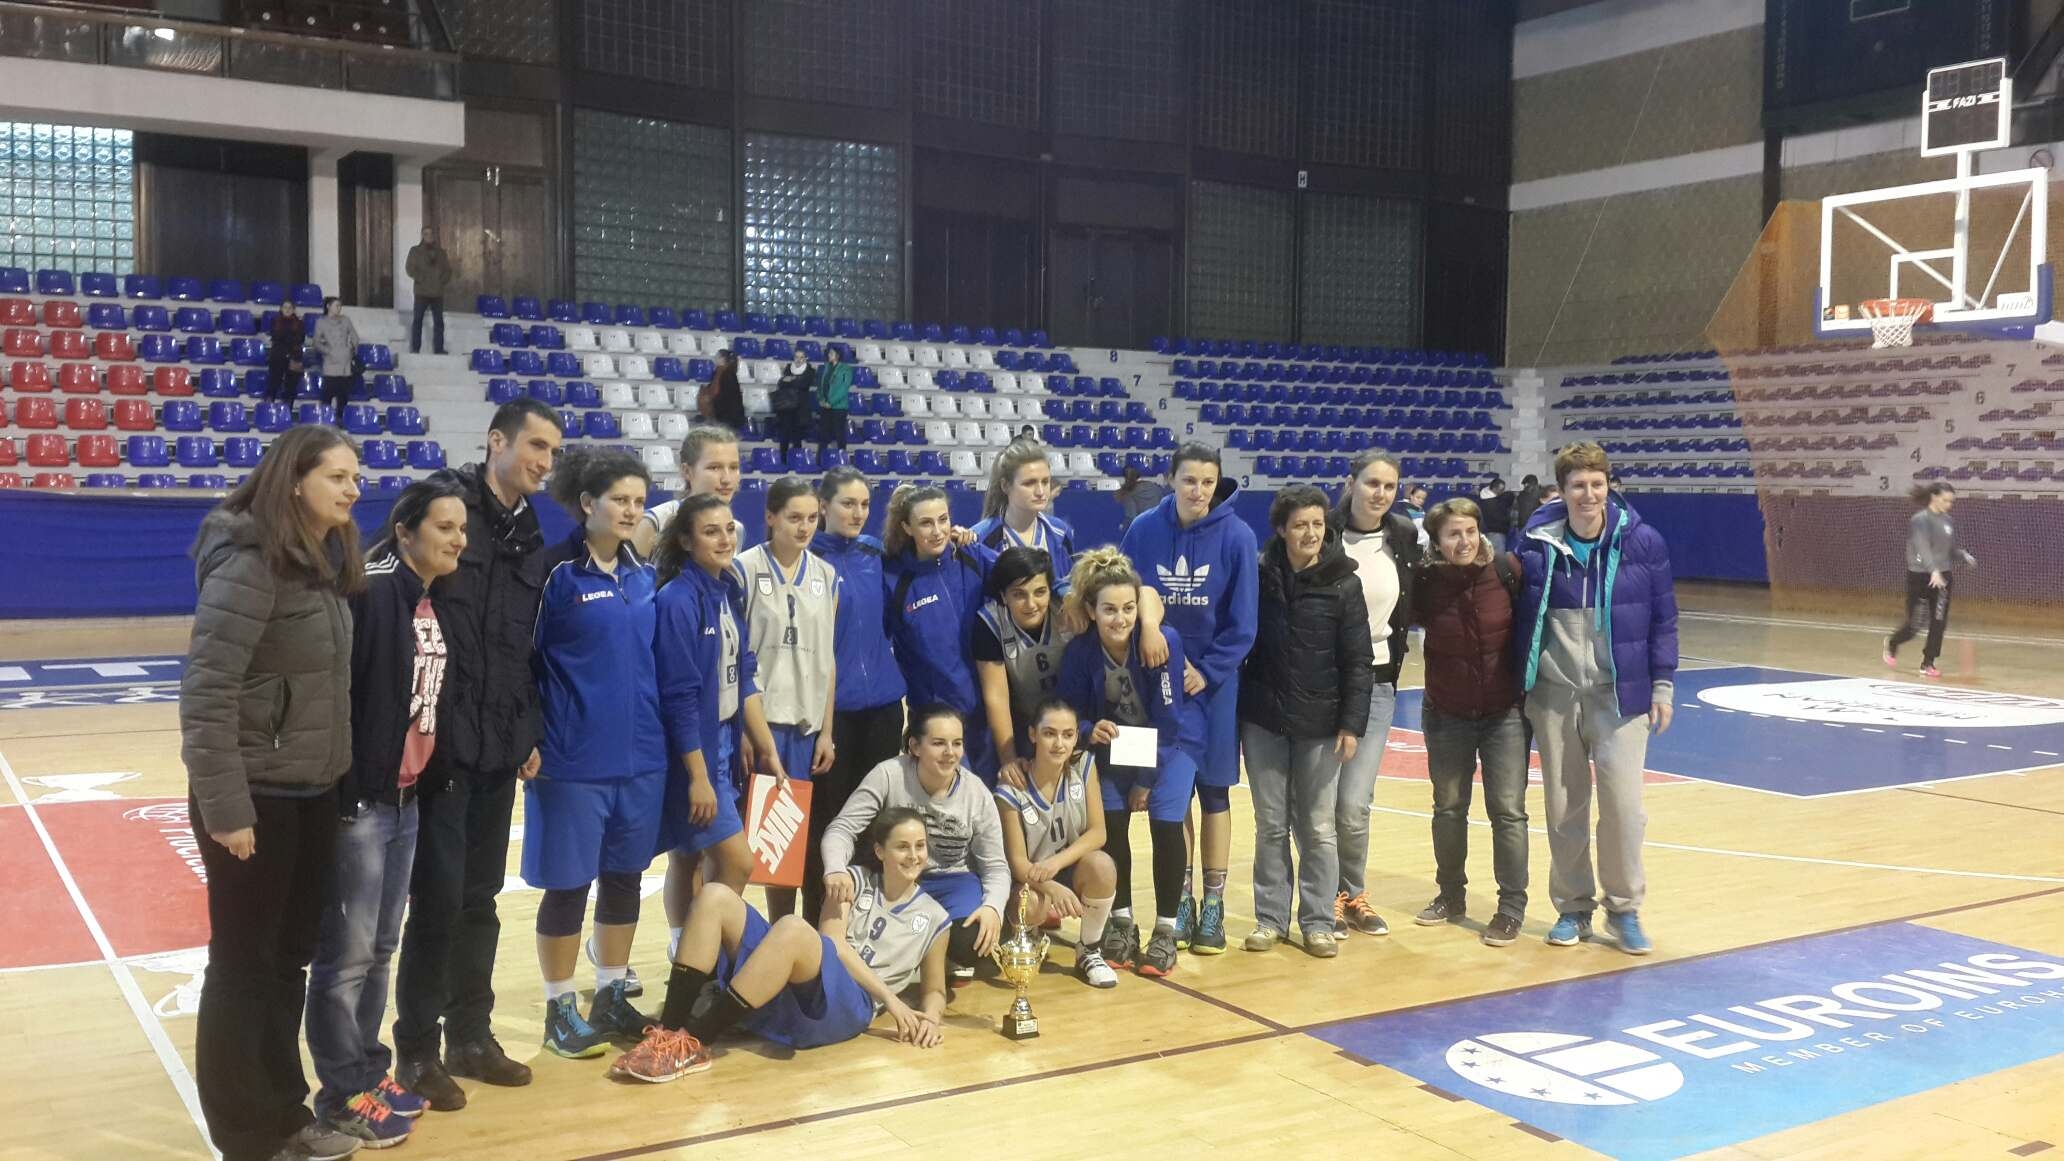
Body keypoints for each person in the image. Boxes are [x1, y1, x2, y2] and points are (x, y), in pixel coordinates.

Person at [180, 425, 366, 1161]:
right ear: (295, 480)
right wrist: (227, 809)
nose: (354, 488)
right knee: (242, 965)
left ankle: (284, 1114)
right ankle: (244, 1134)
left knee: (287, 960)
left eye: (356, 476)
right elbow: (207, 692)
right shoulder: (250, 563)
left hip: (311, 792)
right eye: (339, 476)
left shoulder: (318, 563)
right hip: (253, 797)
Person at [394, 398, 560, 1109]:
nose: (545, 462)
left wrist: (526, 729)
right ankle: (417, 1052)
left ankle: (471, 1035)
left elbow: (525, 644)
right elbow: (395, 600)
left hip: (499, 748)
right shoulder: (443, 506)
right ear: (496, 440)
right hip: (442, 749)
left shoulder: (532, 532)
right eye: (535, 446)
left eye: (553, 452)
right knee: (435, 904)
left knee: (480, 901)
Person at [306, 478, 466, 1149]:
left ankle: (368, 1071)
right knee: (344, 957)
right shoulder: (374, 590)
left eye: (462, 528)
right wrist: (348, 790)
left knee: (379, 950)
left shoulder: (428, 595)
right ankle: (341, 1092)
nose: (457, 539)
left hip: (405, 800)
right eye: (443, 527)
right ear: (404, 530)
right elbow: (343, 697)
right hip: (364, 801)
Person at [605, 806, 952, 1082]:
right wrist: (893, 997)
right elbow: (834, 943)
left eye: (920, 846)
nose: (913, 855)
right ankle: (668, 1033)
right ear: (879, 851)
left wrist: (929, 1020)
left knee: (792, 928)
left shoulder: (935, 916)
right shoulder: (853, 880)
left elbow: (935, 989)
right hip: (810, 982)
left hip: (853, 1007)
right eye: (902, 846)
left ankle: (697, 1040)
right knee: (714, 895)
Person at [525, 447, 665, 1059]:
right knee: (567, 884)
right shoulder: (553, 572)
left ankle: (609, 994)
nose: (631, 511)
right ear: (587, 504)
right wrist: (527, 737)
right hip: (571, 760)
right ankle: (560, 1006)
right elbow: (521, 663)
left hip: (641, 759)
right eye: (620, 500)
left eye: (639, 501)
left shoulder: (645, 576)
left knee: (625, 879)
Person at [1513, 441, 1677, 956]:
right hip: (1554, 694)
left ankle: (1624, 910)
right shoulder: (1536, 541)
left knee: (1625, 809)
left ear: (1609, 486)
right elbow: (1518, 613)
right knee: (1564, 808)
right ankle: (1573, 908)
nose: (1588, 494)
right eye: (1578, 485)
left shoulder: (1642, 542)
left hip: (1620, 694)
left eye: (1597, 484)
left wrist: (1663, 684)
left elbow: (1663, 617)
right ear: (1561, 491)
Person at [1119, 443, 1256, 956]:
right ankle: (1178, 898)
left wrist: (1210, 670)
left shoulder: (1238, 536)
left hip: (1214, 686)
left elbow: (1244, 624)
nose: (1198, 491)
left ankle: (1213, 903)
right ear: (1171, 479)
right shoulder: (1143, 531)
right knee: (1166, 792)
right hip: (1152, 685)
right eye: (1189, 480)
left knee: (1215, 791)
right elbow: (1124, 598)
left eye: (1207, 482)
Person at [1238, 485, 1373, 959]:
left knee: (1317, 828)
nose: (1311, 533)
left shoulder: (1344, 583)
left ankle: (1317, 921)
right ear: (1281, 529)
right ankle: (1269, 919)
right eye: (1300, 525)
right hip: (1264, 723)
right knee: (1271, 825)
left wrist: (1351, 724)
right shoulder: (1258, 576)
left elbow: (1359, 661)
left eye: (1318, 523)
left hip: (1321, 725)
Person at [1055, 548, 1203, 977]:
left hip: (1169, 744)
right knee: (1111, 826)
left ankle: (1166, 929)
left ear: (1140, 607)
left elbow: (1169, 719)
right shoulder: (1082, 652)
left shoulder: (1161, 642)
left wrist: (1146, 779)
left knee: (1165, 821)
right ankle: (1122, 921)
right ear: (1091, 610)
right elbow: (1070, 709)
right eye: (1109, 610)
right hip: (1116, 747)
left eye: (1128, 608)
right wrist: (1087, 729)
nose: (1119, 619)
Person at [651, 492, 789, 911]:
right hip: (696, 754)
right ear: (687, 542)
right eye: (711, 532)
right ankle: (700, 953)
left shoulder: (726, 589)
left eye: (729, 529)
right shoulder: (677, 600)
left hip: (726, 748)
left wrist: (767, 748)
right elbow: (679, 697)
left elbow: (744, 674)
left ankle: (694, 957)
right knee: (736, 862)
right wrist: (697, 776)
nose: (725, 539)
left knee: (694, 858)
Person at [1411, 498, 1529, 947]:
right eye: (1452, 534)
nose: (1463, 541)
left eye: (1469, 531)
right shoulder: (1425, 581)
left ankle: (1511, 907)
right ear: (1437, 541)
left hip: (1504, 714)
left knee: (1508, 812)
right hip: (1445, 712)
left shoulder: (1507, 572)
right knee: (1448, 807)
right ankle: (1450, 895)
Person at [820, 705, 1009, 974]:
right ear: (915, 747)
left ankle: (939, 952)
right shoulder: (888, 774)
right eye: (938, 743)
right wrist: (836, 869)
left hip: (951, 881)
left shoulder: (976, 793)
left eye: (957, 743)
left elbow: (996, 866)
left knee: (972, 943)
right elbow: (841, 829)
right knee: (851, 914)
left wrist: (993, 908)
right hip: (895, 877)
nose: (950, 752)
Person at [728, 477, 836, 916]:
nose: (804, 526)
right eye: (794, 517)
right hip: (756, 726)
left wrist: (826, 731)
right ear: (770, 517)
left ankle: (781, 937)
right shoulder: (743, 569)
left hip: (802, 730)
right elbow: (732, 658)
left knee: (782, 848)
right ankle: (717, 942)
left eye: (812, 518)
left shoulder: (827, 576)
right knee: (732, 848)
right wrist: (742, 728)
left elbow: (828, 660)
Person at [1328, 450, 1422, 939]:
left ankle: (1352, 894)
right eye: (1371, 483)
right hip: (1322, 684)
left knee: (1354, 803)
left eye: (1389, 485)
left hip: (1378, 684)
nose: (1380, 493)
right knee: (1318, 801)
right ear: (1351, 483)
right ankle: (1324, 900)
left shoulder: (1403, 537)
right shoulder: (1321, 531)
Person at [808, 467, 908, 921]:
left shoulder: (875, 555)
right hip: (835, 717)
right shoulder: (808, 560)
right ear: (823, 506)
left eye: (865, 504)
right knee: (829, 824)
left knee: (876, 823)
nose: (858, 513)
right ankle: (821, 924)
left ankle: (870, 923)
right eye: (848, 503)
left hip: (885, 710)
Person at [993, 699, 1120, 988]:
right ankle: (1029, 937)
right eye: (1050, 733)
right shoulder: (1011, 789)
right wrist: (1050, 886)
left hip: (1061, 868)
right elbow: (1017, 863)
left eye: (1068, 734)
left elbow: (1098, 833)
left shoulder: (1084, 766)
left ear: (1077, 736)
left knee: (1101, 865)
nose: (1059, 743)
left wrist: (1055, 865)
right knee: (1032, 904)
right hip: (1027, 880)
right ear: (1033, 735)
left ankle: (1089, 950)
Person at [883, 484, 999, 780]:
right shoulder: (895, 580)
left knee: (989, 808)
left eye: (943, 520)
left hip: (986, 714)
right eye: (925, 523)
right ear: (907, 527)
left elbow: (1025, 575)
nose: (937, 531)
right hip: (936, 721)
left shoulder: (972, 557)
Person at [974, 546, 1071, 785]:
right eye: (1019, 594)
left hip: (1075, 723)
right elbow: (996, 696)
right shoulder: (989, 622)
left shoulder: (1069, 609)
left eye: (1040, 592)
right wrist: (1009, 759)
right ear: (1003, 596)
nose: (1031, 603)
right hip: (1023, 725)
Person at [1884, 482, 1976, 679]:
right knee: (1914, 625)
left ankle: (1928, 662)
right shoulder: (1920, 520)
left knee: (1938, 622)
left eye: (1952, 501)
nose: (1949, 504)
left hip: (1943, 578)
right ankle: (1893, 643)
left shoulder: (1948, 521)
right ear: (1934, 497)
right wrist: (1932, 570)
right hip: (1920, 576)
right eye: (1945, 500)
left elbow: (1948, 551)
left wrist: (1962, 555)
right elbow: (1922, 547)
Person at [969, 440, 1077, 593]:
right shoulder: (980, 538)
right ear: (1005, 486)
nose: (1040, 491)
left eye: (1045, 482)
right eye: (1029, 483)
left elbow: (1070, 593)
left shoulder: (1060, 533)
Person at [637, 421, 744, 562]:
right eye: (714, 467)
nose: (726, 479)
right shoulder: (654, 522)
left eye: (733, 467)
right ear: (687, 471)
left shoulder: (736, 529)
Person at [310, 297, 362, 420]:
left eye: (340, 306)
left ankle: (339, 418)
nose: (339, 308)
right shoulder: (321, 322)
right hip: (331, 361)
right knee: (328, 392)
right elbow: (316, 342)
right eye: (336, 305)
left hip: (345, 361)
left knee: (343, 394)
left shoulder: (345, 320)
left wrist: (352, 348)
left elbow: (355, 336)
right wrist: (328, 351)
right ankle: (325, 418)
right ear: (328, 306)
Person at [404, 226, 451, 356]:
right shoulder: (415, 251)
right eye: (426, 234)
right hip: (421, 292)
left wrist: (442, 280)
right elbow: (409, 268)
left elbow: (448, 270)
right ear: (422, 235)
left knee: (439, 322)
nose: (428, 236)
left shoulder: (441, 253)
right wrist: (421, 278)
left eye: (430, 234)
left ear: (434, 235)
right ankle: (415, 348)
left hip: (437, 293)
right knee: (417, 320)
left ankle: (439, 348)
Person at [773, 351, 816, 466]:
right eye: (797, 357)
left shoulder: (810, 371)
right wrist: (793, 380)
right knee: (785, 435)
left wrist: (791, 380)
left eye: (801, 357)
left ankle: (796, 460)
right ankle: (783, 460)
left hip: (800, 409)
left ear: (805, 358)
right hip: (786, 407)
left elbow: (804, 384)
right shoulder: (788, 368)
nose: (799, 359)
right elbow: (781, 383)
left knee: (797, 437)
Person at [815, 345, 853, 460]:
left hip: (838, 407)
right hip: (825, 406)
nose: (829, 355)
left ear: (838, 355)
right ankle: (820, 459)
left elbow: (843, 388)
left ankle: (843, 459)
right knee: (823, 434)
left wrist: (831, 402)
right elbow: (821, 386)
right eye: (828, 353)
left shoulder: (846, 369)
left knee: (839, 433)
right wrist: (821, 399)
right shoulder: (826, 368)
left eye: (831, 353)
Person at [265, 300, 305, 406]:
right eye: (285, 307)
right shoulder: (275, 321)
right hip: (277, 356)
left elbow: (300, 339)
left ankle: (288, 409)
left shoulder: (299, 323)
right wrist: (290, 337)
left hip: (294, 357)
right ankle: (269, 406)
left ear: (293, 310)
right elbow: (276, 336)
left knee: (291, 386)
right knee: (274, 382)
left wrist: (286, 337)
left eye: (290, 308)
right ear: (281, 309)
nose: (287, 310)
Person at [1114, 466, 1168, 537]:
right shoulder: (1155, 487)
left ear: (1125, 477)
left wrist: (1123, 526)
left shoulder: (1128, 493)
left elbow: (1131, 516)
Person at [699, 350, 745, 430]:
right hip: (730, 415)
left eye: (717, 357)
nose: (715, 359)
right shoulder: (728, 372)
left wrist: (705, 394)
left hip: (726, 416)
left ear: (723, 359)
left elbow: (716, 393)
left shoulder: (723, 373)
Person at [1478, 476, 1513, 552]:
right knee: (1498, 559)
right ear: (1494, 489)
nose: (1502, 492)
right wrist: (1509, 519)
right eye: (1501, 490)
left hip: (1490, 532)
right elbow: (1500, 518)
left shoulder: (1485, 496)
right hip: (1496, 533)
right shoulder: (1491, 503)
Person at [1510, 474, 1545, 541]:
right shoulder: (1542, 493)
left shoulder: (1522, 495)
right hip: (1535, 526)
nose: (1525, 486)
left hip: (1528, 526)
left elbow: (1516, 512)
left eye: (1526, 484)